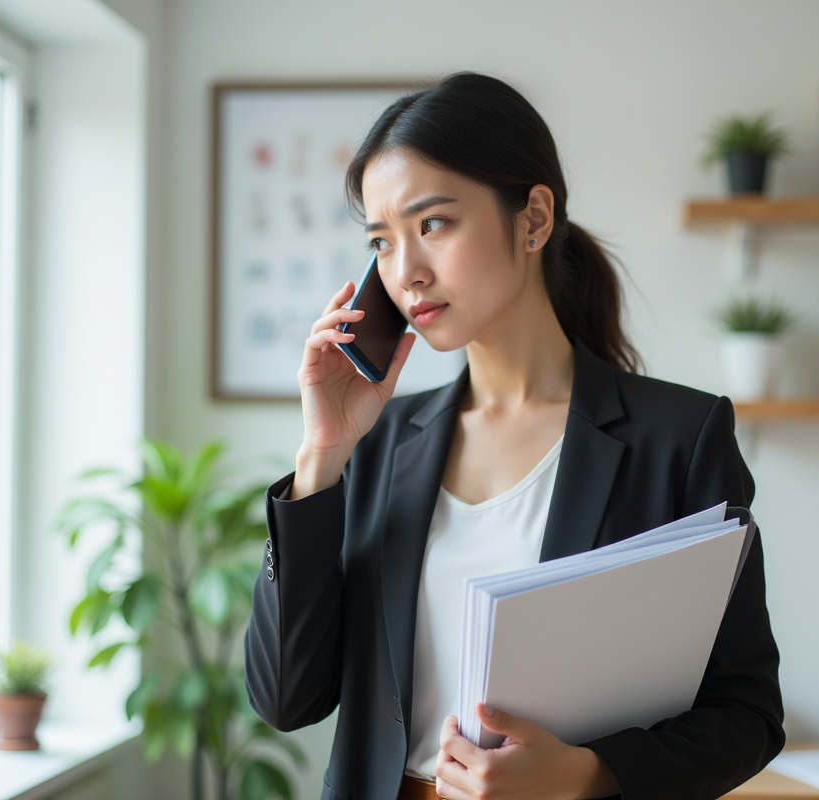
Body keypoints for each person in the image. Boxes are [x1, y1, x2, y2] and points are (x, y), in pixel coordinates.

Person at [244, 72, 784, 800]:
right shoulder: (375, 443)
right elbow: (287, 699)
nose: (406, 273)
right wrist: (321, 457)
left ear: (533, 219)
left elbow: (746, 716)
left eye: (433, 224)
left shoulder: (678, 440)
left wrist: (587, 774)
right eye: (381, 241)